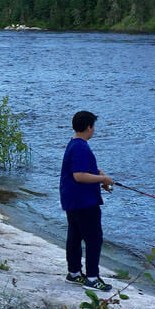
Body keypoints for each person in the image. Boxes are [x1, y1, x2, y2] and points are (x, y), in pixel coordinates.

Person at [59, 110, 114, 291]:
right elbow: (80, 176)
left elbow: (84, 169)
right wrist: (104, 180)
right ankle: (92, 278)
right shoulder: (81, 147)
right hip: (83, 201)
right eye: (93, 127)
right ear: (89, 127)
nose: (93, 130)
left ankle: (74, 273)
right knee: (94, 238)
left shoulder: (74, 144)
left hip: (73, 199)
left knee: (75, 236)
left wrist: (99, 174)